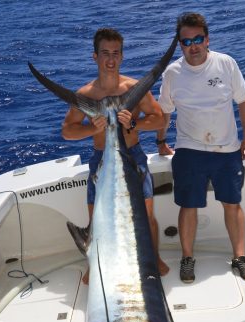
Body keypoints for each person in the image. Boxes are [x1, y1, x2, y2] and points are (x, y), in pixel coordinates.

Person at [62, 28, 169, 284]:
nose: (110, 59)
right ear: (95, 57)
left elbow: (159, 119)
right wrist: (91, 128)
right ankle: (96, 264)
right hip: (101, 158)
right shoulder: (85, 95)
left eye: (116, 53)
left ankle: (152, 258)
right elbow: (67, 131)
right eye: (105, 53)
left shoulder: (134, 88)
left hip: (132, 156)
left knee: (146, 215)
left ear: (121, 56)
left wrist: (134, 123)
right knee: (97, 218)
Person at [156, 12, 245, 284]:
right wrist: (160, 140)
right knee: (188, 206)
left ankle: (240, 257)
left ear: (207, 39)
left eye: (198, 39)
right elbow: (164, 112)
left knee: (232, 204)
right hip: (189, 149)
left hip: (228, 150)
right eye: (187, 41)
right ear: (180, 45)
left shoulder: (226, 63)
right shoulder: (172, 73)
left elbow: (244, 102)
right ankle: (187, 258)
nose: (194, 46)